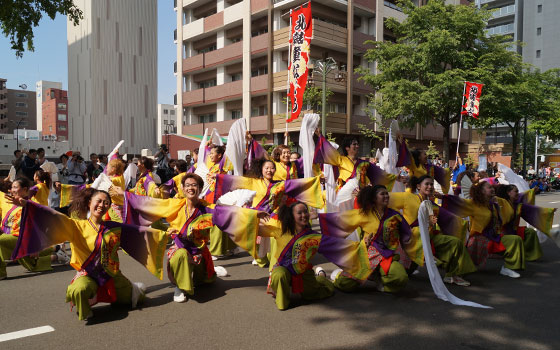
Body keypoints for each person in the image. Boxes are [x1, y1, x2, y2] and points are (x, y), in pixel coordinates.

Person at [8, 188, 167, 320]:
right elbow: (54, 217)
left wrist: (168, 235)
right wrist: (28, 205)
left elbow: (140, 233)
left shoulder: (114, 228)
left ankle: (134, 289)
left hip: (112, 275)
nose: (102, 205)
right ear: (89, 202)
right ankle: (87, 307)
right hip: (87, 274)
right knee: (79, 290)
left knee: (135, 300)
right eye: (99, 201)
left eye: (106, 203)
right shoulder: (76, 226)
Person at [122, 173, 268, 303]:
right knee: (180, 256)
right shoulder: (175, 204)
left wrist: (253, 214)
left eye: (194, 185)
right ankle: (180, 286)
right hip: (180, 247)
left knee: (206, 282)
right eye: (187, 185)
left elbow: (229, 213)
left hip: (200, 251)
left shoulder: (208, 208)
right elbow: (148, 203)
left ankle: (210, 271)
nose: (191, 188)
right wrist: (122, 195)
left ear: (199, 188)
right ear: (183, 189)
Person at [211, 158, 325, 267]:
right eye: (266, 168)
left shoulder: (279, 184)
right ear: (261, 169)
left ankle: (277, 263)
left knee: (282, 230)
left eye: (272, 168)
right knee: (265, 242)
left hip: (270, 217)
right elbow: (234, 180)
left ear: (275, 170)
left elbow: (298, 184)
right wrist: (216, 177)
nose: (269, 170)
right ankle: (264, 259)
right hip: (254, 216)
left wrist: (316, 180)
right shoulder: (252, 182)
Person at [267, 202, 370, 310]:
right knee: (279, 274)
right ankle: (282, 302)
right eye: (299, 213)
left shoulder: (314, 237)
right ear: (292, 216)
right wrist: (254, 215)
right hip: (282, 269)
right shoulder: (281, 229)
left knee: (324, 291)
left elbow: (336, 244)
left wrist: (361, 245)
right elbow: (257, 227)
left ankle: (321, 276)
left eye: (305, 211)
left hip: (303, 274)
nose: (304, 215)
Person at [318, 185, 412, 293]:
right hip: (369, 253)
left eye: (387, 194)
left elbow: (407, 233)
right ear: (374, 198)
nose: (386, 196)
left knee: (400, 278)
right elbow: (341, 219)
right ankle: (337, 275)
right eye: (382, 194)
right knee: (345, 284)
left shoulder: (395, 214)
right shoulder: (364, 213)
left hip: (388, 254)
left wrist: (406, 242)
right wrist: (317, 216)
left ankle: (380, 280)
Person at [389, 175, 476, 286]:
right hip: (412, 240)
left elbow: (448, 218)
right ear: (418, 186)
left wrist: (464, 224)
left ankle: (453, 275)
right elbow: (387, 198)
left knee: (455, 243)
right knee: (418, 231)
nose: (430, 187)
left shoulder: (432, 205)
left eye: (432, 184)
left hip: (429, 239)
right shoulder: (407, 197)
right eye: (427, 184)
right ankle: (427, 256)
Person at [441, 181, 525, 278]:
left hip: (494, 236)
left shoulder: (494, 203)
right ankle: (452, 268)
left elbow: (508, 213)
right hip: (479, 237)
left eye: (492, 187)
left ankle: (509, 268)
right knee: (464, 266)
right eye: (489, 187)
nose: (492, 189)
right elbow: (459, 203)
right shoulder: (474, 204)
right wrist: (443, 197)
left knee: (515, 239)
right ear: (482, 191)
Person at [0, 178, 55, 280]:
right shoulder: (11, 203)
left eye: (15, 187)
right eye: (12, 187)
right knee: (32, 265)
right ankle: (55, 254)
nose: (12, 190)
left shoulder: (30, 204)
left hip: (24, 239)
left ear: (25, 189)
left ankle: (1, 273)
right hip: (14, 237)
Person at [314, 134, 399, 192]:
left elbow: (380, 174)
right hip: (345, 195)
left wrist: (396, 178)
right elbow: (329, 152)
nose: (357, 146)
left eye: (357, 144)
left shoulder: (365, 163)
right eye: (354, 144)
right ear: (347, 148)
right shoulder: (341, 160)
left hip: (362, 195)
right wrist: (319, 136)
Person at [496, 184, 556, 262]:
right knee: (515, 239)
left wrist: (548, 211)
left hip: (513, 230)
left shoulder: (517, 204)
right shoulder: (501, 203)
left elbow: (532, 208)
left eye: (518, 191)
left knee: (530, 232)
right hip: (501, 232)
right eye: (516, 191)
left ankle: (527, 254)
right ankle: (510, 257)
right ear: (508, 193)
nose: (518, 193)